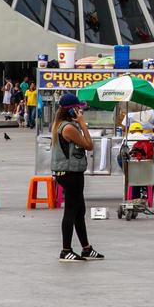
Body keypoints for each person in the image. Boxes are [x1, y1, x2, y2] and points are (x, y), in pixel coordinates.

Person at [51, 93, 103, 262]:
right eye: (78, 108)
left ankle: (86, 248)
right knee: (71, 211)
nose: (80, 111)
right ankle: (66, 250)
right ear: (72, 110)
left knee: (79, 211)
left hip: (68, 173)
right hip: (70, 174)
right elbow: (89, 145)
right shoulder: (68, 128)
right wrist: (82, 124)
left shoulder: (61, 125)